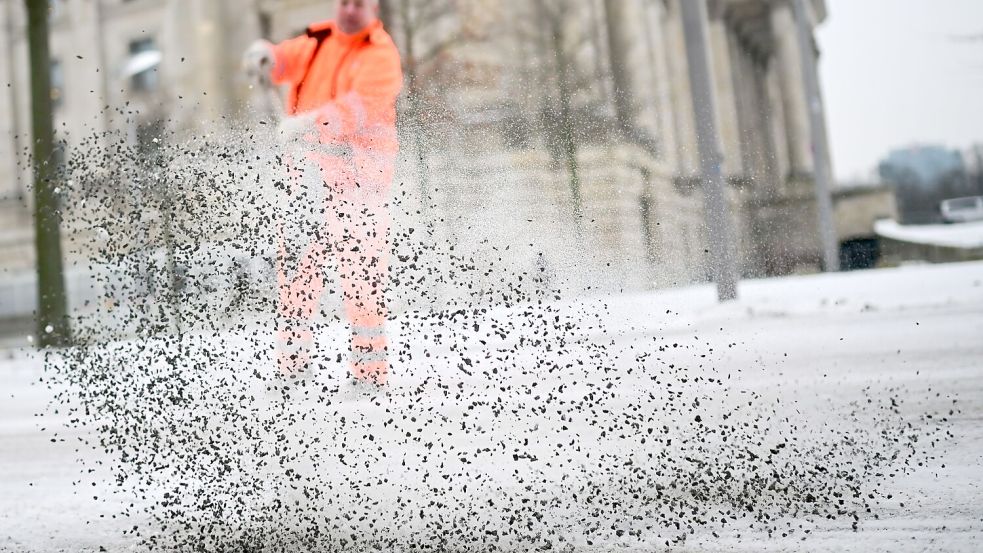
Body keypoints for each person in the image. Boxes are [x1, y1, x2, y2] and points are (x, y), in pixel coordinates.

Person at [243, 0, 402, 386]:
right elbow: (284, 59)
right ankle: (291, 369)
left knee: (362, 279)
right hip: (308, 182)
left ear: (372, 7)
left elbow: (358, 109)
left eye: (358, 4)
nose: (350, 10)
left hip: (359, 185)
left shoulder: (379, 55)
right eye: (345, 2)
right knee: (296, 277)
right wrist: (266, 54)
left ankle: (370, 372)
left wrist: (312, 123)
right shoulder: (318, 41)